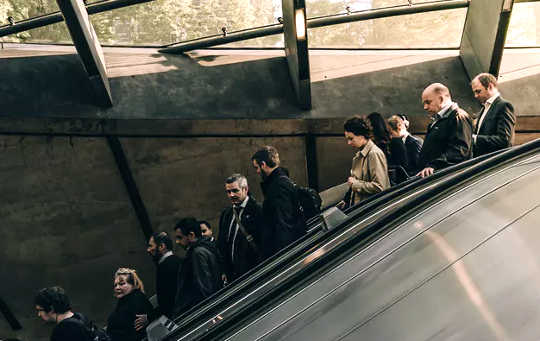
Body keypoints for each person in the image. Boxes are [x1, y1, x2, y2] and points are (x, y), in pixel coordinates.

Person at [251, 146, 305, 258]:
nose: (257, 172)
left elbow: (283, 223)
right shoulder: (282, 181)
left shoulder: (277, 187)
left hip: (283, 253)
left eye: (256, 167)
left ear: (263, 165)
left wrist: (282, 257)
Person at [417, 83, 473, 178]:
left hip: (449, 177)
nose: (425, 107)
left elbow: (460, 150)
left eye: (428, 102)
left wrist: (435, 165)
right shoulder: (438, 120)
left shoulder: (458, 117)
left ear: (441, 99)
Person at [218, 173, 264, 283]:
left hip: (253, 272)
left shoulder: (258, 211)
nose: (231, 195)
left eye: (235, 190)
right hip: (232, 275)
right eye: (228, 192)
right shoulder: (226, 214)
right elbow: (222, 243)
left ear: (245, 189)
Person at [173, 217, 223, 315]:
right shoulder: (207, 246)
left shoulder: (197, 253)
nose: (177, 242)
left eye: (180, 237)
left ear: (191, 235)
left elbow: (204, 285)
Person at [339, 116, 390, 207]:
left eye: (351, 138)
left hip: (372, 209)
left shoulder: (374, 154)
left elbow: (380, 187)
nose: (349, 143)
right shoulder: (360, 154)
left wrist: (355, 184)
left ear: (362, 136)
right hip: (363, 207)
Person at [470, 73, 516, 156]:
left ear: (490, 86)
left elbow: (505, 141)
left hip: (495, 162)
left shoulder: (504, 106)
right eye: (474, 92)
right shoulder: (485, 107)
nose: (475, 96)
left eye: (478, 91)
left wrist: (474, 138)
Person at [107, 268, 153, 341]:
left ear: (133, 285)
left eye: (122, 284)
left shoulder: (137, 299)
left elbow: (135, 333)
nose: (117, 288)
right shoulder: (124, 301)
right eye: (115, 285)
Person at [144, 232, 181, 320]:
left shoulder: (165, 267)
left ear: (161, 246)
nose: (148, 250)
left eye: (150, 246)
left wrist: (150, 316)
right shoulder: (176, 260)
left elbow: (168, 300)